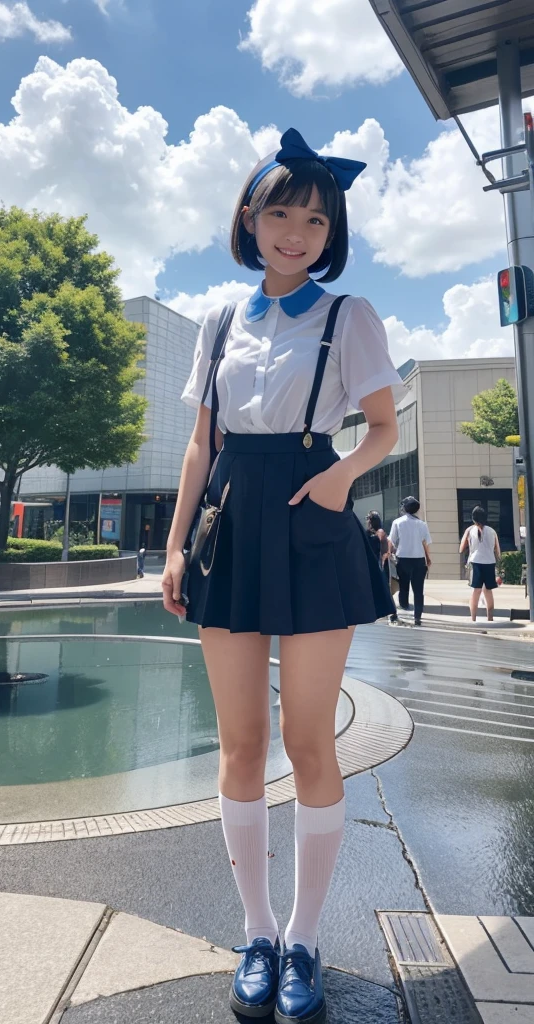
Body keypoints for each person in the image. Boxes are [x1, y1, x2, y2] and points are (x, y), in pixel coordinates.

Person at [161, 128, 404, 1024]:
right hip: (230, 522)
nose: (295, 230)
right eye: (280, 212)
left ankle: (304, 937)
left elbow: (382, 427)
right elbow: (201, 443)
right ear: (251, 219)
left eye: (313, 216)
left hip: (312, 518)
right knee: (239, 746)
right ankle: (256, 933)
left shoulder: (350, 316)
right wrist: (177, 544)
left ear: (328, 230)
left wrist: (342, 477)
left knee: (309, 741)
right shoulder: (221, 320)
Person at [388, 496, 432, 626]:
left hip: (403, 558)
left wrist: (390, 553)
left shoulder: (397, 522)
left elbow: (392, 541)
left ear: (405, 508)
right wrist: (428, 558)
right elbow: (425, 543)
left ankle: (404, 608)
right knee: (418, 590)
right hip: (419, 560)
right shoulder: (422, 524)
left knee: (404, 586)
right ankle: (417, 616)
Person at [459, 506, 500, 622]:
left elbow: (461, 549)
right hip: (490, 562)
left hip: (475, 562)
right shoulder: (492, 531)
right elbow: (498, 551)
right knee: (488, 590)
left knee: (476, 590)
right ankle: (490, 618)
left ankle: (473, 618)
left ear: (473, 519)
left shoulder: (470, 530)